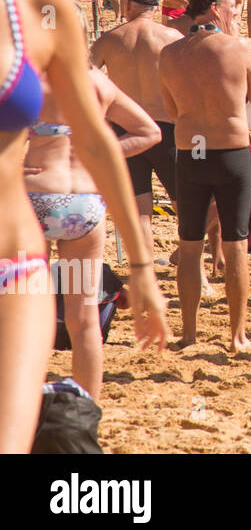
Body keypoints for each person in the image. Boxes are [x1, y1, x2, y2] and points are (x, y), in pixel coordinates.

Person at [0, 0, 167, 453]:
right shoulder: (93, 73)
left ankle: (76, 426)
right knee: (80, 318)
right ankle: (85, 404)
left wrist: (144, 270)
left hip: (19, 240)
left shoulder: (38, 9)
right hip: (77, 208)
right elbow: (127, 133)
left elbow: (99, 142)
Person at [25, 65, 160, 401]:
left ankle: (24, 407)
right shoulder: (98, 82)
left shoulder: (23, 77)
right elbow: (148, 131)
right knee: (84, 319)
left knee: (25, 311)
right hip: (83, 202)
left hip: (34, 195)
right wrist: (101, 154)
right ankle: (85, 414)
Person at [158, 0, 251, 351]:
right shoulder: (237, 48)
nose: (234, 10)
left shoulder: (170, 53)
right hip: (230, 150)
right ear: (216, 8)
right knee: (236, 245)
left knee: (189, 245)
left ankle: (188, 333)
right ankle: (237, 335)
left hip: (192, 151)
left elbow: (171, 110)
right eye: (231, 5)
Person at [89, 0, 183, 256]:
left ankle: (146, 272)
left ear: (128, 4)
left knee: (139, 211)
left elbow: (85, 79)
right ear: (156, 6)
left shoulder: (110, 39)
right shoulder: (172, 38)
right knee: (185, 206)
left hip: (125, 130)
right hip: (167, 128)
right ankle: (194, 267)